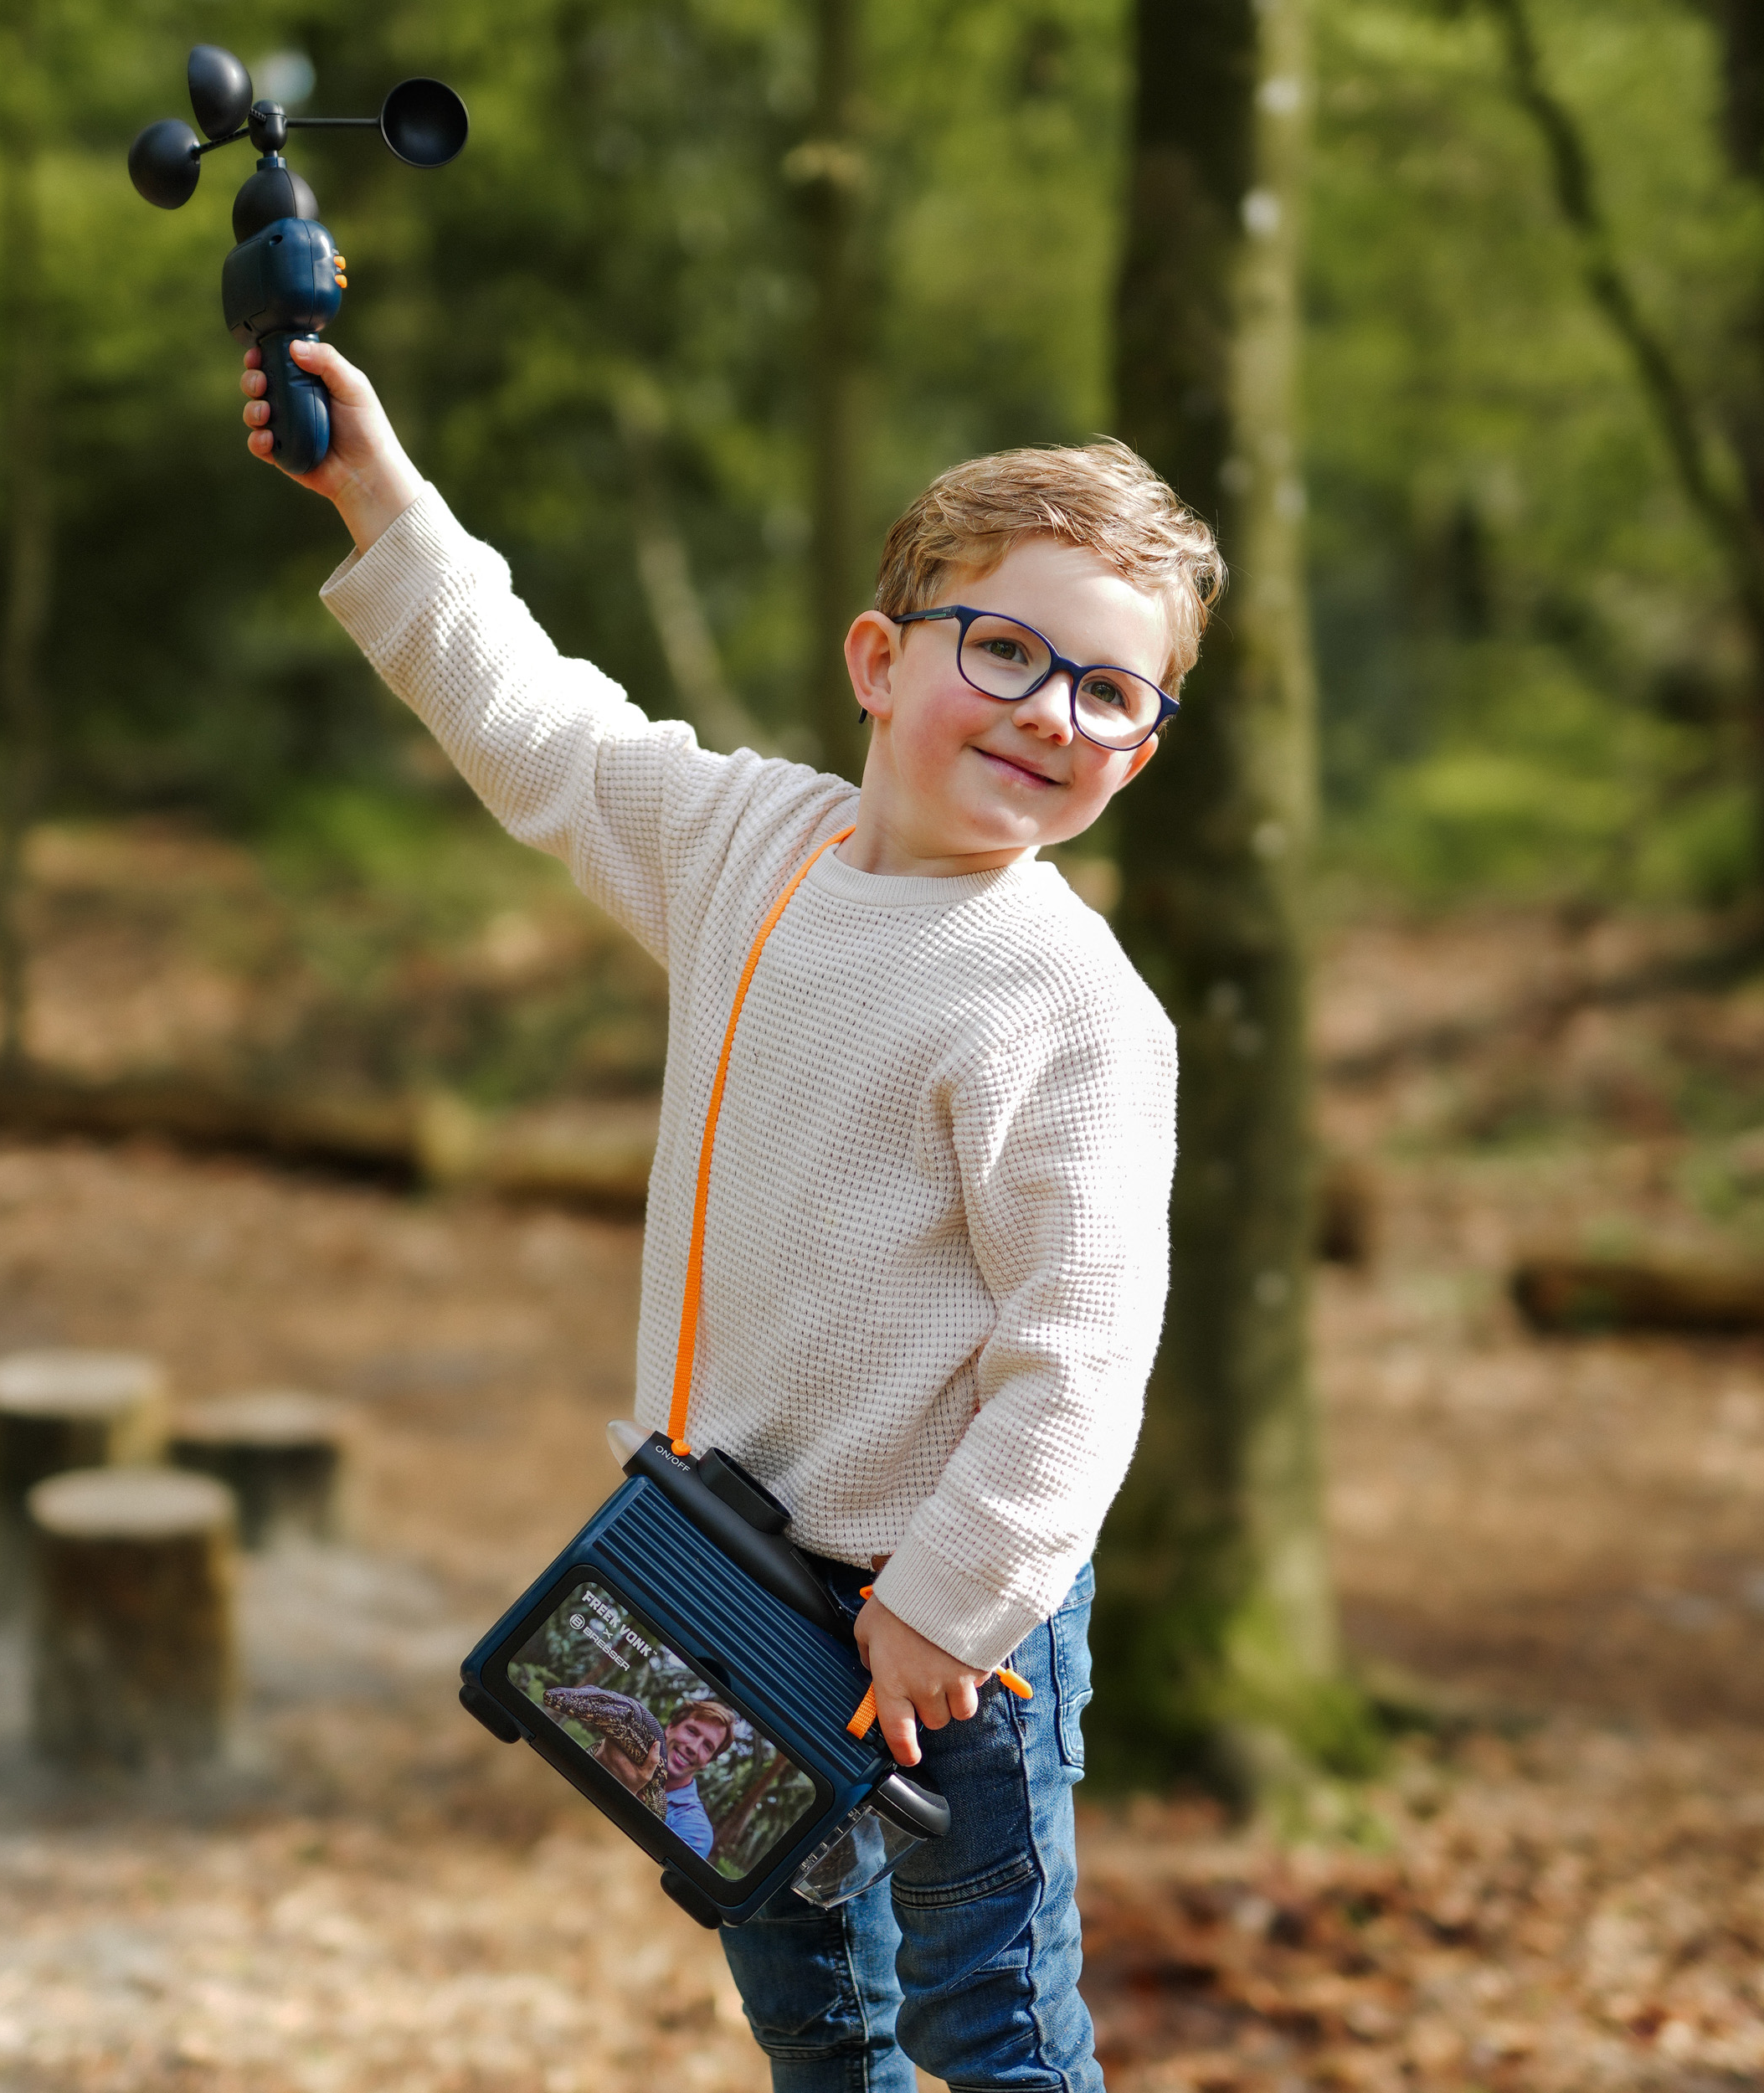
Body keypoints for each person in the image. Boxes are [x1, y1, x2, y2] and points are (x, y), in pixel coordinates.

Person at [240, 335, 1215, 2093]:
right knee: (810, 2012)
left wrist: (949, 1601)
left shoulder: (1070, 1005)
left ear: (1138, 752)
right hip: (716, 1570)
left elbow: (1077, 1359)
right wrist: (374, 495)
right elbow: (538, 723)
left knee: (983, 2029)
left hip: (940, 1643)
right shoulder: (746, 848)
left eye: (1108, 691)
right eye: (1003, 647)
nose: (1047, 711)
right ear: (877, 657)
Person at [659, 1699, 735, 1859]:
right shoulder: (620, 1757)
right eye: (692, 1731)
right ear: (671, 1728)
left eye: (707, 1746)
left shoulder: (696, 1830)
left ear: (707, 1762)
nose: (693, 1748)